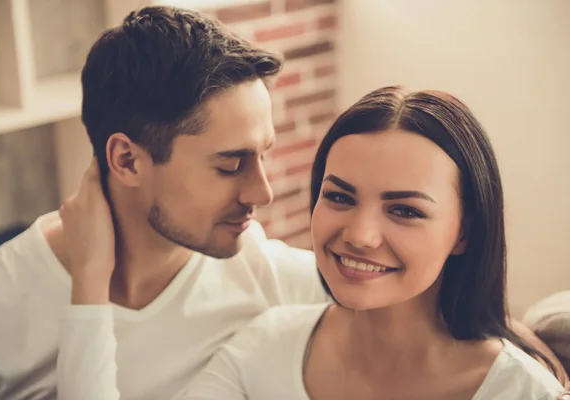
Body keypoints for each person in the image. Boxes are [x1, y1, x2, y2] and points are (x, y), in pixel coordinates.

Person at [57, 86, 569, 399]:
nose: (361, 236)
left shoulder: (521, 391)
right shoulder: (264, 348)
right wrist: (90, 279)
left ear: (465, 233)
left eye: (405, 210)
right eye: (340, 197)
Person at [0, 6, 327, 399]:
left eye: (263, 155)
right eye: (229, 165)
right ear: (127, 160)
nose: (262, 193)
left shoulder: (267, 276)